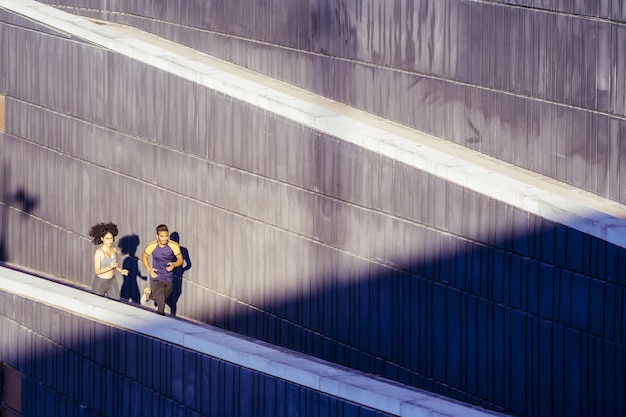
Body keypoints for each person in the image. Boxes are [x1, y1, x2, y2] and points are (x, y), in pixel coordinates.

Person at [141, 224, 183, 315]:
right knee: (161, 301)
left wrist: (174, 264)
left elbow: (181, 260)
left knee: (163, 297)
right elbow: (144, 257)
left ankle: (148, 295)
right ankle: (160, 320)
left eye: (166, 236)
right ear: (157, 236)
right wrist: (149, 269)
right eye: (162, 236)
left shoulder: (174, 246)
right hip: (156, 277)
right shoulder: (152, 246)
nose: (164, 239)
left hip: (168, 278)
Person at [89, 222, 128, 299]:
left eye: (111, 238)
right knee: (97, 305)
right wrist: (110, 267)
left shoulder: (114, 250)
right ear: (102, 239)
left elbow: (114, 264)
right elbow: (97, 271)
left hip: (112, 281)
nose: (110, 241)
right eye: (107, 238)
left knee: (116, 304)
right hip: (100, 282)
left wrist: (121, 271)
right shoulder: (99, 252)